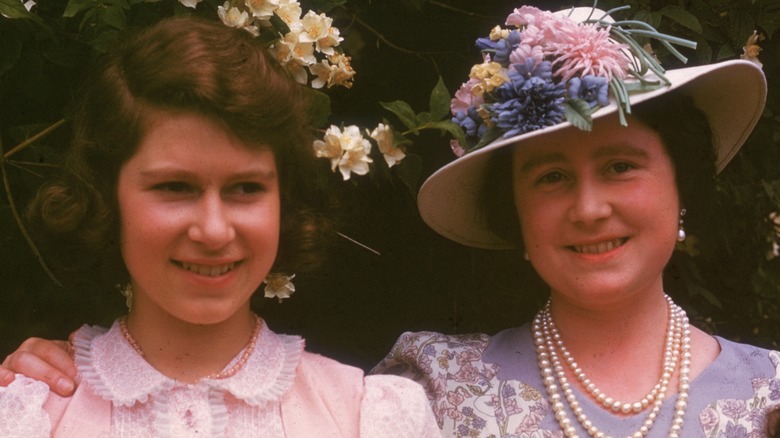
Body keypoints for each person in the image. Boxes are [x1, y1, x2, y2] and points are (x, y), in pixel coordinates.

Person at [4, 5, 780, 438]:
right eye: (549, 175)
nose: (588, 207)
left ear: (684, 183)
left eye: (622, 166)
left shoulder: (771, 392)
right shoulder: (432, 384)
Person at [0, 16, 438, 437]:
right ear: (106, 196)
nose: (213, 231)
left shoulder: (367, 416)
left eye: (246, 188)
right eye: (174, 187)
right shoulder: (30, 413)